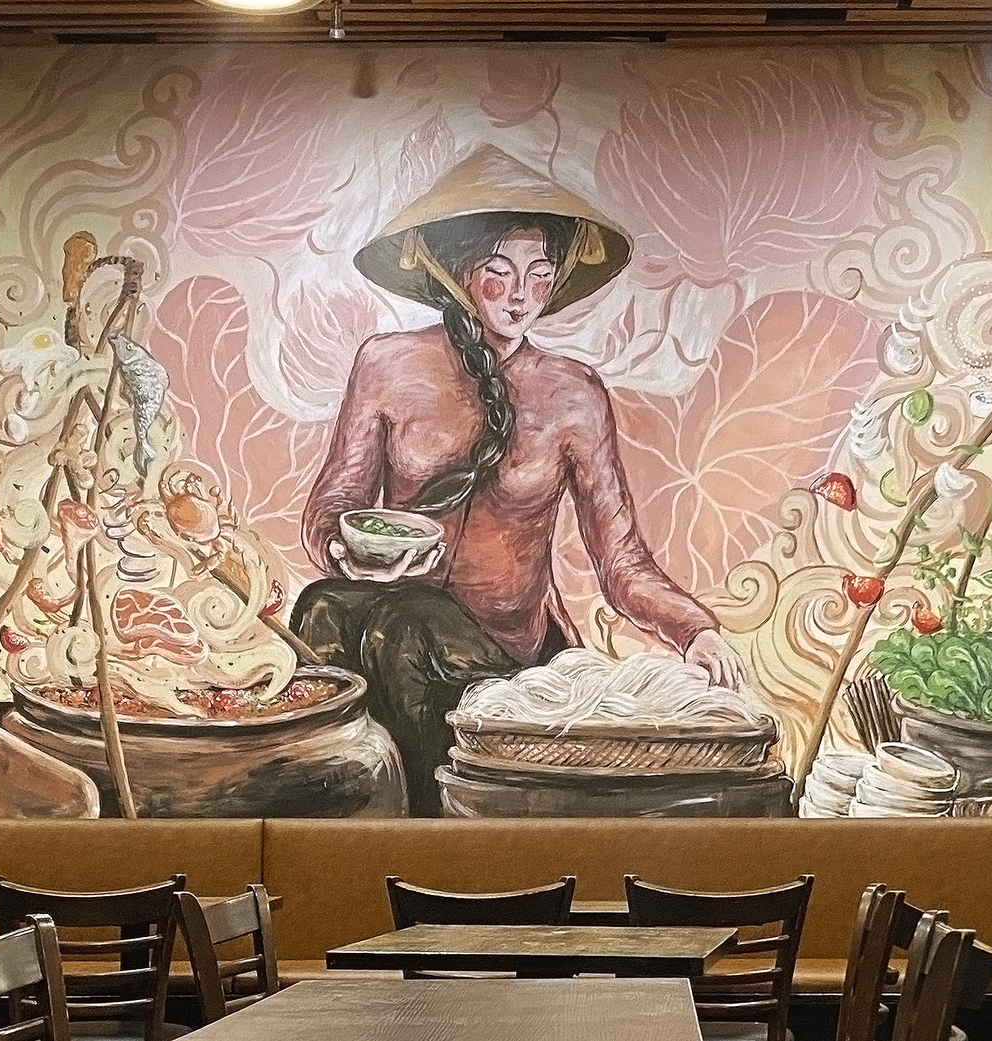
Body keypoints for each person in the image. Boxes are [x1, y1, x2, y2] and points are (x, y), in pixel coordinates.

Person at [294, 147, 745, 816]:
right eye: (498, 272)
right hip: (395, 619)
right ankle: (333, 818)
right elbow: (335, 504)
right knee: (321, 607)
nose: (519, 296)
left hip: (505, 655)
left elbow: (620, 558)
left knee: (402, 624)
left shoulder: (575, 394)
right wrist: (344, 548)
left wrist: (694, 630)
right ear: (457, 273)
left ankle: (431, 830)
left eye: (539, 275)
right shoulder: (387, 365)